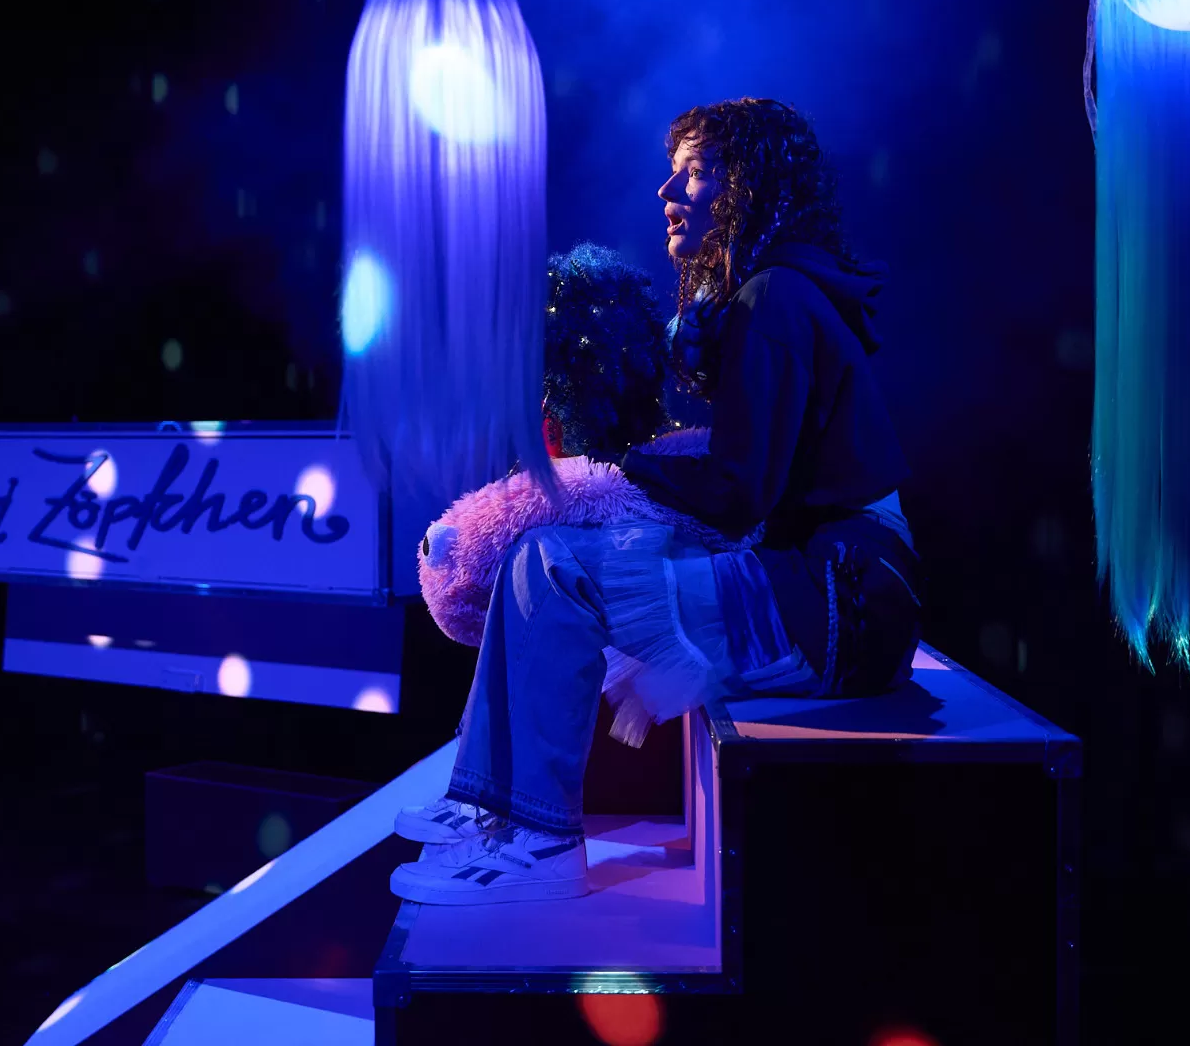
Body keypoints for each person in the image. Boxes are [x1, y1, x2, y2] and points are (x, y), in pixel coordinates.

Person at [390, 98, 922, 906]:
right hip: (839, 589)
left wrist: (626, 467)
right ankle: (491, 804)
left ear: (748, 184)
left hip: (838, 600)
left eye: (696, 172)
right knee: (551, 561)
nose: (667, 191)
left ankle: (539, 839)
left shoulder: (774, 297)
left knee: (550, 561)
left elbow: (738, 495)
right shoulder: (780, 291)